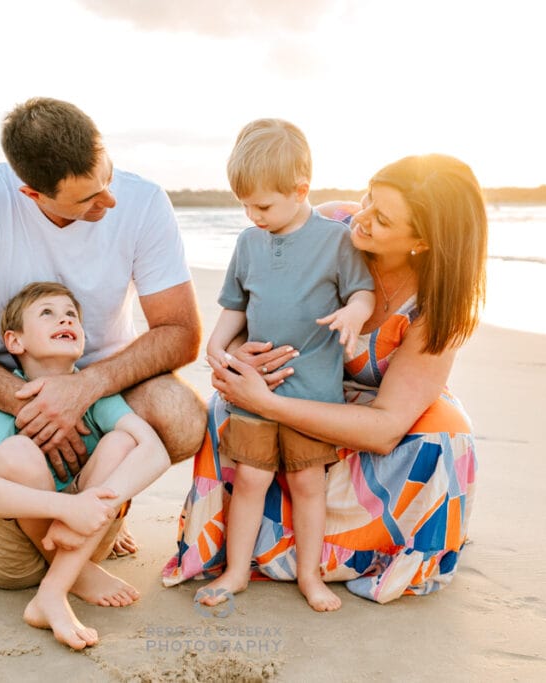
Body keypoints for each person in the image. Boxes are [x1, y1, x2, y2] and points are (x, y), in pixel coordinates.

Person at [0, 97, 206, 556]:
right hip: (10, 382)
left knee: (182, 416)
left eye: (107, 176)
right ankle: (16, 504)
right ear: (32, 194)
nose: (109, 200)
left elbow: (179, 331)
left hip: (105, 382)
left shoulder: (145, 201)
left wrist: (83, 389)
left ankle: (101, 505)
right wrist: (31, 406)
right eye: (88, 198)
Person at [163, 154, 487, 605]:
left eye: (383, 218)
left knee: (444, 442)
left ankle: (358, 548)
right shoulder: (328, 225)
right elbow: (253, 304)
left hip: (377, 413)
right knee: (226, 411)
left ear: (423, 242)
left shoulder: (438, 306)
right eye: (369, 198)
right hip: (300, 378)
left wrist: (268, 404)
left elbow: (386, 427)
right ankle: (246, 551)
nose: (363, 217)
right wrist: (241, 359)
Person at [196, 119, 374, 612]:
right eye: (245, 205)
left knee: (307, 485)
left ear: (300, 190)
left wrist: (355, 313)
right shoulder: (248, 243)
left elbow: (363, 289)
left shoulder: (334, 241)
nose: (253, 215)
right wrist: (217, 344)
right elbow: (235, 303)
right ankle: (236, 572)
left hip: (313, 390)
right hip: (255, 385)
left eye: (264, 205)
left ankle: (310, 577)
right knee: (249, 480)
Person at [0, 281, 170, 650]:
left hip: (83, 538)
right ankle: (75, 576)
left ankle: (55, 589)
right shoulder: (9, 395)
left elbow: (156, 452)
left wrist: (96, 507)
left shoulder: (95, 394)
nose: (65, 319)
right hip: (12, 555)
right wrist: (68, 508)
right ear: (15, 341)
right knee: (15, 453)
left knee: (125, 441)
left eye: (71, 314)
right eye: (47, 313)